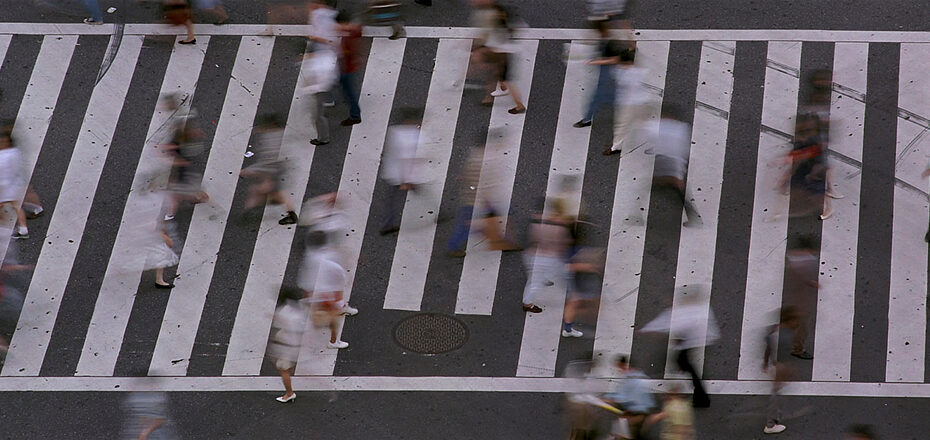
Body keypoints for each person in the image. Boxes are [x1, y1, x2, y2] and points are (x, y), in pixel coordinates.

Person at [639, 289, 718, 408]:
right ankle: (698, 396)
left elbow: (668, 323)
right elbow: (665, 321)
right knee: (683, 364)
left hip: (691, 342)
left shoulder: (685, 312)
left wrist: (645, 330)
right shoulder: (694, 310)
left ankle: (697, 397)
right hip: (692, 342)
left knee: (682, 364)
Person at [298, 230, 358, 349]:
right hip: (327, 291)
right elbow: (339, 274)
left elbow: (306, 277)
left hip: (319, 291)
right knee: (333, 318)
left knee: (321, 313)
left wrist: (308, 294)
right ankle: (333, 341)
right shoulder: (330, 256)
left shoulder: (310, 256)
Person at [240, 114, 299, 225]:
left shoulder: (269, 140)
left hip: (272, 171)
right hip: (276, 169)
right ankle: (291, 214)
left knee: (257, 190)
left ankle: (247, 213)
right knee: (274, 193)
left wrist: (249, 170)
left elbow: (267, 161)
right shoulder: (277, 134)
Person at [647, 107, 700, 227]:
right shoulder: (681, 128)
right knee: (673, 188)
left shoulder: (659, 128)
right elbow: (683, 149)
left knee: (655, 186)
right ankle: (693, 217)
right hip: (676, 164)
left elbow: (655, 142)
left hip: (666, 163)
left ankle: (635, 215)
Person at [521, 199, 575, 313]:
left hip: (533, 254)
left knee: (538, 277)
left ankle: (548, 280)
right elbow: (564, 243)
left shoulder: (536, 220)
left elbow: (530, 237)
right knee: (535, 282)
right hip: (548, 257)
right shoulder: (561, 225)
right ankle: (527, 303)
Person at [379, 108, 423, 235]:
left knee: (392, 199)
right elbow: (406, 159)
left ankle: (387, 223)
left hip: (393, 172)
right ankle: (387, 224)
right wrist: (406, 180)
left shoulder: (395, 131)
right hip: (402, 175)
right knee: (395, 198)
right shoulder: (411, 137)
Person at [477, 4, 526, 114]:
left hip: (502, 55)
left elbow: (488, 37)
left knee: (507, 80)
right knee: (498, 73)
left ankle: (519, 105)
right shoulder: (508, 24)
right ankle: (499, 88)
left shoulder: (497, 25)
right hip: (505, 53)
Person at [574, 20, 622, 128]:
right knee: (603, 98)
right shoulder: (605, 40)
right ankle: (587, 119)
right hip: (605, 74)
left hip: (608, 74)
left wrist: (596, 61)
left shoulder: (610, 43)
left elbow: (615, 60)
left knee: (599, 98)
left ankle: (587, 120)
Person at [761, 307, 801, 435]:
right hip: (779, 367)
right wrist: (785, 372)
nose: (796, 323)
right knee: (775, 396)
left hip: (775, 365)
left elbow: (768, 347)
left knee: (776, 394)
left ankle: (775, 419)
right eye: (794, 320)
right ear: (789, 320)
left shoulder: (775, 330)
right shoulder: (786, 335)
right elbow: (782, 357)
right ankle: (770, 424)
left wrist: (766, 362)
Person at [604, 47, 650, 156]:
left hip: (629, 103)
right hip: (642, 101)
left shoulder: (621, 72)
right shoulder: (639, 71)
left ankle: (616, 147)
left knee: (622, 125)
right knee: (644, 124)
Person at [603, 355, 657, 439]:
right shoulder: (641, 376)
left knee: (623, 435)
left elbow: (625, 398)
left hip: (633, 415)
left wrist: (609, 399)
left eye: (619, 368)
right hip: (640, 415)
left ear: (623, 365)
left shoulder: (631, 379)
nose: (619, 371)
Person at [267, 286, 306, 403]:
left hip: (286, 345)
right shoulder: (298, 311)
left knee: (283, 369)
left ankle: (289, 393)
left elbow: (281, 324)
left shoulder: (283, 311)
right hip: (295, 343)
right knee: (286, 366)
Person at [782, 236, 819, 360]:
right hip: (801, 301)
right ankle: (797, 349)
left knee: (791, 320)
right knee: (802, 327)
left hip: (792, 297)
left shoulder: (792, 259)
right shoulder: (807, 263)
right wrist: (812, 283)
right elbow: (804, 279)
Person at [562, 247, 605, 338]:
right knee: (575, 303)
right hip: (577, 278)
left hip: (578, 275)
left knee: (578, 302)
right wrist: (590, 267)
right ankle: (570, 327)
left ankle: (569, 327)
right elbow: (569, 266)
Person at [299, 49, 338, 146]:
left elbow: (320, 82)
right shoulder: (322, 58)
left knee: (317, 116)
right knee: (318, 113)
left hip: (319, 91)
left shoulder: (315, 66)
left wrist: (307, 89)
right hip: (321, 90)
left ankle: (324, 138)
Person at [0, 124, 29, 239]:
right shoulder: (15, 152)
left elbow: (4, 172)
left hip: (6, 186)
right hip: (14, 184)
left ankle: (8, 229)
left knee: (12, 206)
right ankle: (23, 229)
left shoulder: (5, 155)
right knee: (16, 206)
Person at [335, 11, 363, 126]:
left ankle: (355, 116)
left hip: (347, 68)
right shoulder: (352, 31)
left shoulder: (348, 35)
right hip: (348, 66)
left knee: (349, 92)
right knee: (345, 88)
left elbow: (346, 52)